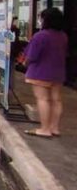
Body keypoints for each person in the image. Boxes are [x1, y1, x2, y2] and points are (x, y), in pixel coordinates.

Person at [23, 8, 67, 138]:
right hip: (58, 72)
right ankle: (55, 128)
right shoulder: (63, 35)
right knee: (56, 100)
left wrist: (25, 63)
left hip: (40, 72)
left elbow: (31, 56)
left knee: (43, 99)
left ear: (45, 20)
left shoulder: (40, 35)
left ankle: (44, 129)